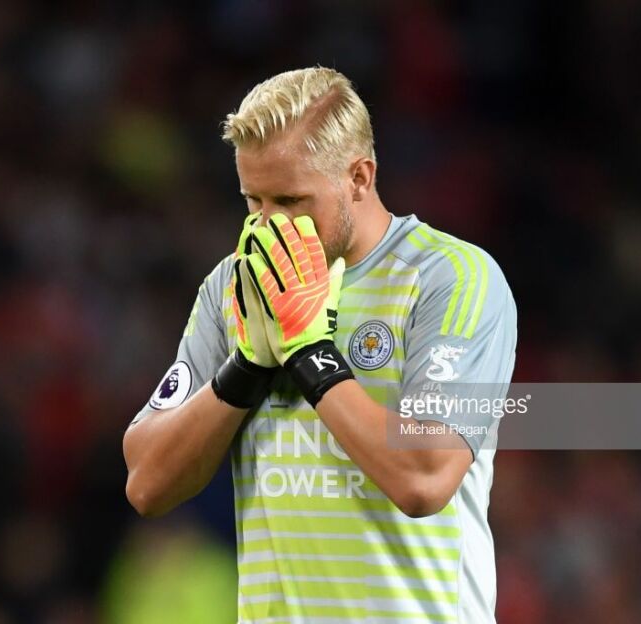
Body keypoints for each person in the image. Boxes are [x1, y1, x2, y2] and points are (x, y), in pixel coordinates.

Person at [123, 66, 517, 623]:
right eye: (253, 201)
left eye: (289, 200)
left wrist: (310, 356)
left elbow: (425, 478)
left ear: (359, 177)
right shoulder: (235, 284)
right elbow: (146, 482)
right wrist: (246, 368)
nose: (267, 226)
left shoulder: (449, 279)